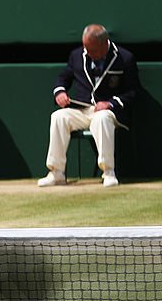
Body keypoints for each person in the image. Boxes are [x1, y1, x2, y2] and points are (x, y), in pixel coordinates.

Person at [37, 24, 140, 188]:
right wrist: (60, 92)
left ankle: (108, 172)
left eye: (92, 49)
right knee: (58, 116)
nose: (88, 52)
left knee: (101, 118)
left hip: (109, 112)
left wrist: (110, 103)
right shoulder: (77, 55)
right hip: (82, 110)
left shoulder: (124, 58)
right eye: (86, 47)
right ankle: (56, 173)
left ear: (104, 43)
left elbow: (133, 91)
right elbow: (63, 77)